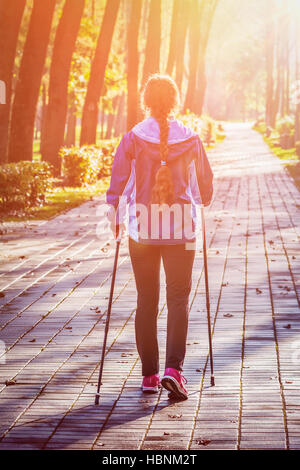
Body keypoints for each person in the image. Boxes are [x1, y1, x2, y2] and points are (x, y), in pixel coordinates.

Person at [106, 74, 213, 400]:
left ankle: (150, 376)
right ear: (175, 100)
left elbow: (117, 187)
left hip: (142, 230)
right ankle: (174, 371)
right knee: (178, 300)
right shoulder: (191, 139)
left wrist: (116, 221)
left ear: (146, 101)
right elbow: (205, 192)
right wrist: (197, 199)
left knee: (146, 301)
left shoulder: (133, 138)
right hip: (182, 231)